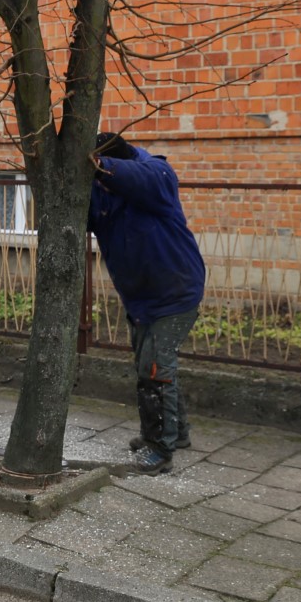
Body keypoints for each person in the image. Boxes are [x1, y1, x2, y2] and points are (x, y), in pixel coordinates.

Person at [88, 130, 206, 475]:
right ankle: (177, 432)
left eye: (105, 178)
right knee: (151, 363)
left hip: (176, 292)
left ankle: (160, 448)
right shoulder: (103, 192)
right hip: (141, 298)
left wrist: (100, 167)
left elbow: (143, 178)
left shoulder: (156, 173)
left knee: (154, 369)